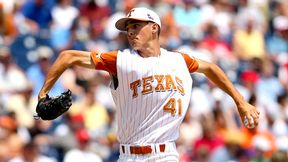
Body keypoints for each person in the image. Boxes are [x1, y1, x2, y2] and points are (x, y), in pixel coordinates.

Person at [37, 7, 260, 162]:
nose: (130, 31)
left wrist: (240, 102)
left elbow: (211, 67)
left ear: (154, 27)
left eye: (136, 26)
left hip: (166, 155)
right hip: (129, 155)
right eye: (128, 28)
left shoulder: (179, 61)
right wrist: (43, 94)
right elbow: (68, 56)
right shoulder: (121, 60)